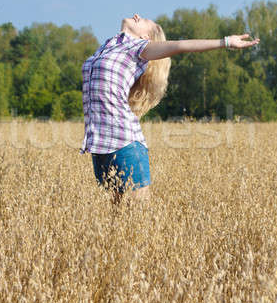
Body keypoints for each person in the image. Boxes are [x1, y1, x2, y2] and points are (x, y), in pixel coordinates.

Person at [79, 13, 260, 204]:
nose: (137, 16)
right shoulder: (109, 46)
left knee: (137, 223)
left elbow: (181, 46)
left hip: (125, 144)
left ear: (146, 38)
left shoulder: (138, 48)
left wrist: (225, 41)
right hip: (99, 147)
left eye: (145, 21)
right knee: (116, 224)